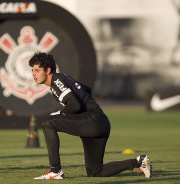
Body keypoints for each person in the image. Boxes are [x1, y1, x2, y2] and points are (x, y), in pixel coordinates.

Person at [28, 52, 152, 180]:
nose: (33, 74)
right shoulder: (62, 78)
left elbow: (75, 105)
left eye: (37, 70)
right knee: (96, 172)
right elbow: (87, 90)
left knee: (48, 123)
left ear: (48, 70)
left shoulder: (56, 80)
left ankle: (55, 170)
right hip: (100, 123)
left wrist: (60, 113)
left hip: (92, 121)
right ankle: (139, 162)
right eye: (32, 70)